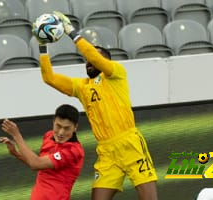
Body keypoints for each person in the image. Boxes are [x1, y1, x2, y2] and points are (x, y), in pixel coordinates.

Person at [34, 11, 159, 200]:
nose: (88, 62)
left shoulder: (116, 73)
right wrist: (42, 45)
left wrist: (71, 33)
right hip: (106, 151)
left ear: (105, 61)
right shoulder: (82, 87)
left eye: (93, 59)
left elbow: (94, 56)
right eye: (86, 61)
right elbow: (48, 78)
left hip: (130, 144)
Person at [0, 104, 84, 200]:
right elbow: (36, 165)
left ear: (75, 127)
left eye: (66, 128)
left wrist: (16, 135)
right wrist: (15, 153)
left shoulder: (74, 151)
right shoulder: (48, 136)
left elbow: (36, 164)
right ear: (53, 121)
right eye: (58, 126)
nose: (61, 132)